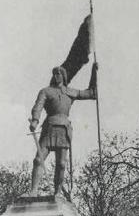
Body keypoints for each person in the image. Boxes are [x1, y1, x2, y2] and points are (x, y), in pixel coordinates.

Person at [28, 63, 97, 196]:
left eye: (59, 73)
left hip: (64, 130)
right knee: (38, 159)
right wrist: (35, 120)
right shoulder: (46, 91)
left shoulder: (71, 92)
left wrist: (94, 72)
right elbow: (38, 106)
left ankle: (58, 192)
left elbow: (92, 93)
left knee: (61, 164)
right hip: (49, 127)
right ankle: (33, 190)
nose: (56, 76)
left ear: (64, 76)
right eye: (54, 73)